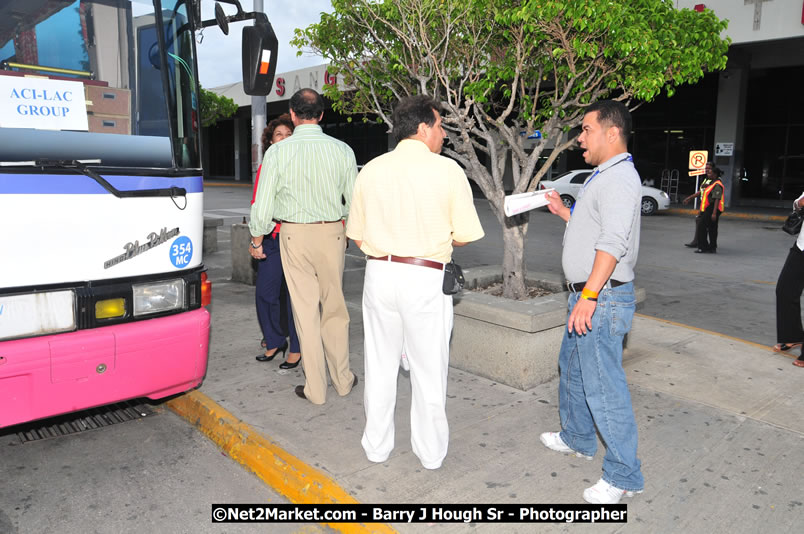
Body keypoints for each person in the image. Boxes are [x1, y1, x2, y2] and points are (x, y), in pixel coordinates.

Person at [346, 95, 484, 470]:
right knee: (428, 370)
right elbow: (466, 235)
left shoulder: (371, 169)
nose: (443, 134)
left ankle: (377, 447)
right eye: (440, 126)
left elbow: (355, 234)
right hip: (424, 276)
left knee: (379, 364)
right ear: (423, 128)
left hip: (379, 274)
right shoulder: (447, 171)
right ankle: (430, 453)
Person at [542, 99, 645, 504]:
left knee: (604, 388)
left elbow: (613, 242)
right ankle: (578, 437)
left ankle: (624, 476)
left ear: (612, 132)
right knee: (572, 370)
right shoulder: (604, 175)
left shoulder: (620, 178)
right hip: (589, 296)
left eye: (586, 129)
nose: (579, 138)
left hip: (599, 298)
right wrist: (564, 212)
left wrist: (589, 295)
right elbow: (597, 226)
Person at [249, 88, 358, 404]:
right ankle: (343, 380)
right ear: (321, 115)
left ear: (293, 116)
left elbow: (263, 205)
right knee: (335, 309)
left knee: (305, 312)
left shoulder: (278, 153)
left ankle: (316, 389)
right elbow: (354, 202)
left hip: (294, 235)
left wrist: (257, 240)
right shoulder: (342, 150)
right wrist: (346, 232)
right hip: (332, 233)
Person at [251, 114, 301, 369]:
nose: (283, 138)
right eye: (278, 135)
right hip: (270, 238)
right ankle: (274, 340)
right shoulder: (265, 167)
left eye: (288, 134)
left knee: (295, 297)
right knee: (265, 294)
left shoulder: (301, 166)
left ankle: (296, 348)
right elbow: (258, 205)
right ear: (270, 141)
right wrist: (256, 239)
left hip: (295, 237)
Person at [775, 191, 804, 368]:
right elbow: (797, 203)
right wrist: (800, 203)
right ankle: (793, 336)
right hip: (802, 245)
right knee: (785, 290)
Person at [681, 161, 719, 249]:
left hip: (710, 207)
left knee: (705, 225)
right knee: (701, 223)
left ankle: (704, 244)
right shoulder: (706, 179)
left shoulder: (715, 181)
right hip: (704, 205)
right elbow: (701, 191)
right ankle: (700, 242)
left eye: (709, 169)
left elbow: (717, 198)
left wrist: (714, 213)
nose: (707, 170)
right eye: (706, 168)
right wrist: (690, 197)